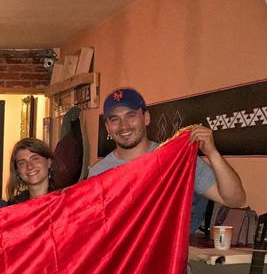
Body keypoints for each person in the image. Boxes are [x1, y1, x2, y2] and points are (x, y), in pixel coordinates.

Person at [88, 87, 246, 233]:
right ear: (108, 127)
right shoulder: (98, 174)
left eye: (131, 116)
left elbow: (235, 200)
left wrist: (212, 153)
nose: (124, 126)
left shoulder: (176, 161)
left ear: (146, 118)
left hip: (170, 262)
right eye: (115, 119)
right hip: (124, 263)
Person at [7, 138, 56, 204]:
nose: (29, 166)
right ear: (17, 171)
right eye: (22, 163)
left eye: (35, 159)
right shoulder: (13, 206)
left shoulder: (63, 201)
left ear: (49, 162)